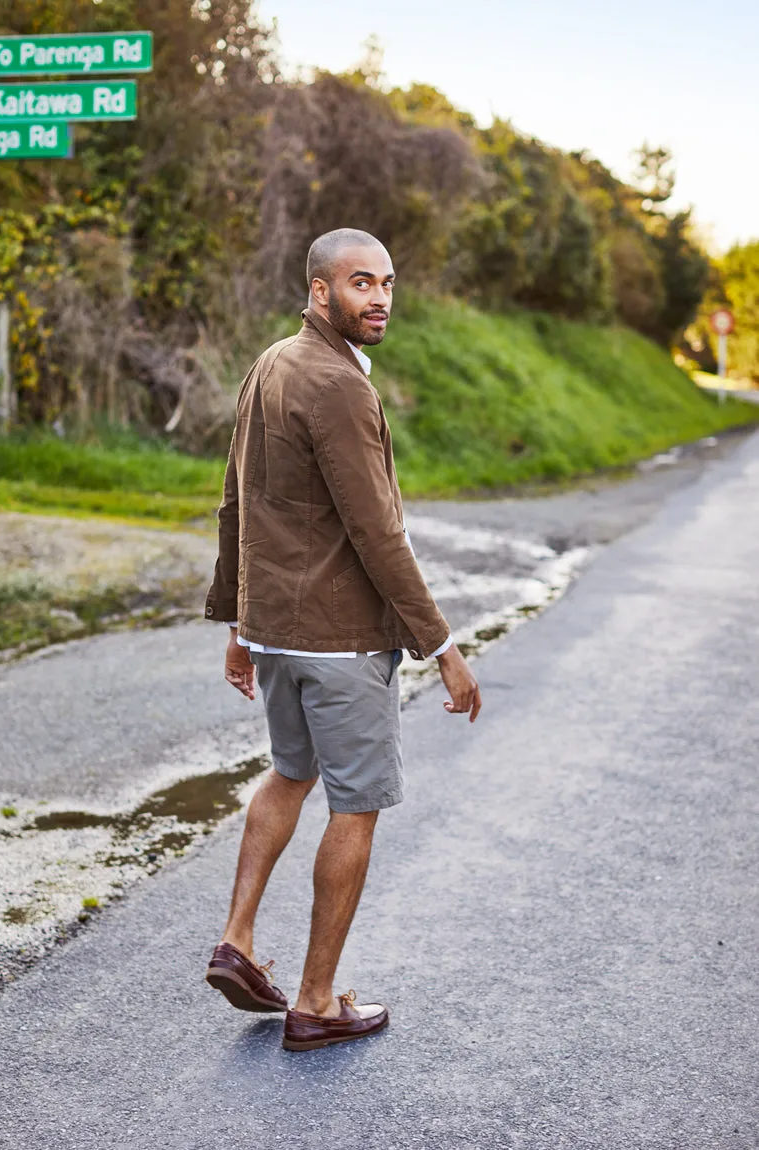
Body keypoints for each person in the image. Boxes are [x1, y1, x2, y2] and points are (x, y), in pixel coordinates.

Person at [204, 228, 482, 1052]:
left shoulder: (271, 364)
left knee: (291, 773)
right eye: (362, 284)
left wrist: (238, 622)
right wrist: (443, 646)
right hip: (338, 641)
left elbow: (235, 502)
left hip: (279, 635)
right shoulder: (337, 386)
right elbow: (378, 534)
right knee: (354, 805)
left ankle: (238, 942)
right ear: (320, 292)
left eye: (389, 283)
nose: (381, 299)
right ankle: (318, 1001)